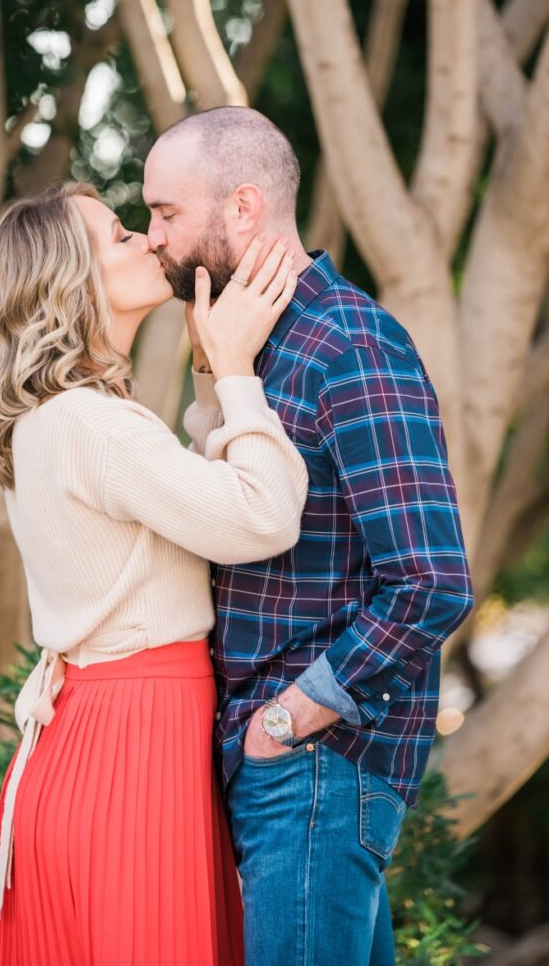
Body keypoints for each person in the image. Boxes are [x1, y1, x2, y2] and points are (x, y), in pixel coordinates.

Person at [143, 107, 475, 966]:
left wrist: (286, 723)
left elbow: (431, 581)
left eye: (166, 213)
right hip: (287, 769)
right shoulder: (260, 351)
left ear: (244, 208)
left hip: (314, 766)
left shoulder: (350, 345)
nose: (152, 238)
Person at [0, 181, 309, 966]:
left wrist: (205, 377)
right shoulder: (93, 423)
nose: (149, 241)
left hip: (91, 741)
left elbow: (183, 507)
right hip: (134, 747)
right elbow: (260, 517)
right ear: (73, 281)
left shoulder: (60, 416)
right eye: (121, 234)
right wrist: (235, 372)